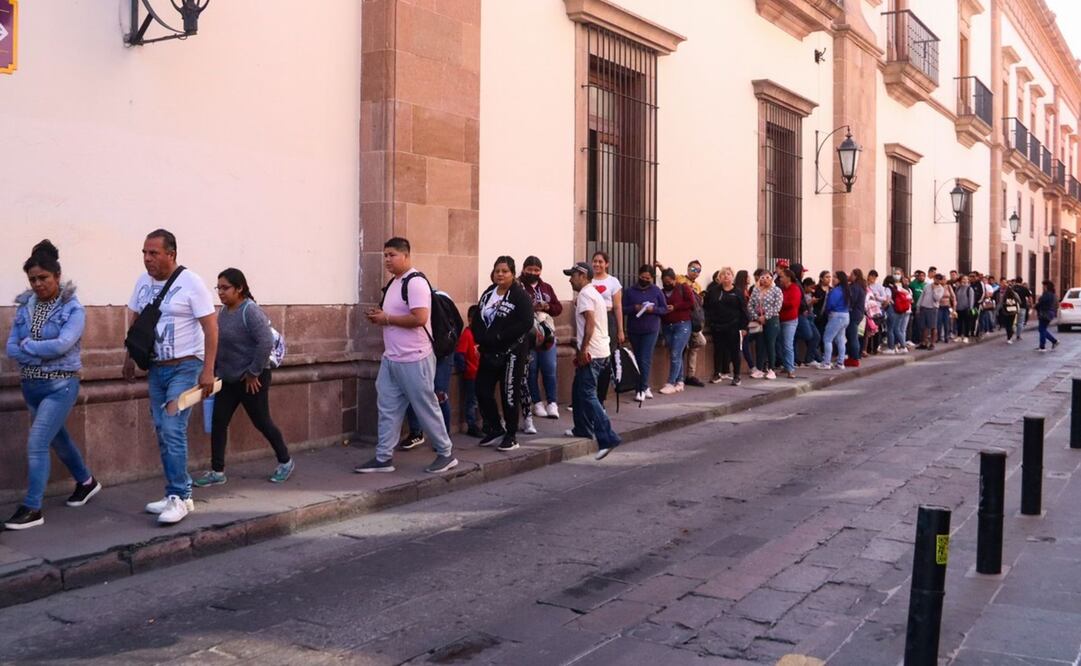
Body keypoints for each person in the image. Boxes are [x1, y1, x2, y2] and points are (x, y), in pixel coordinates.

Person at [4, 241, 101, 530]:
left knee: (37, 443)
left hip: (60, 386)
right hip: (31, 386)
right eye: (33, 279)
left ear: (57, 276)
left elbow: (62, 345)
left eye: (43, 278)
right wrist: (36, 349)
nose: (38, 284)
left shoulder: (73, 309)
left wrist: (30, 345)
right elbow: (11, 348)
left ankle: (32, 508)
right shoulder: (24, 307)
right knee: (59, 440)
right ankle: (86, 481)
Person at [123, 230, 217, 525]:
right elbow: (136, 321)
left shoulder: (192, 283)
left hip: (186, 367)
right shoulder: (142, 282)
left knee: (172, 426)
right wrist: (128, 358)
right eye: (144, 253)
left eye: (153, 253)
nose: (147, 259)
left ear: (171, 254)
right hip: (156, 368)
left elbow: (211, 328)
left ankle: (179, 494)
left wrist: (208, 370)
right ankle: (177, 494)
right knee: (163, 431)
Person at [356, 237, 458, 474]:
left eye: (391, 255)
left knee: (425, 406)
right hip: (392, 358)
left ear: (406, 255)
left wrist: (387, 319)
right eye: (385, 256)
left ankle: (445, 453)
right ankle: (383, 458)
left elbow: (420, 318)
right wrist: (381, 315)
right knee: (388, 407)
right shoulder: (394, 283)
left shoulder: (415, 282)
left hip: (415, 358)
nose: (387, 260)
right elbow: (395, 314)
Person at [192, 268, 293, 488]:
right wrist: (214, 369)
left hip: (252, 379)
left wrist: (253, 372)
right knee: (219, 422)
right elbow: (221, 343)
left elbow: (265, 342)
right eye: (218, 287)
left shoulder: (250, 311)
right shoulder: (223, 312)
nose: (220, 292)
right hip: (229, 379)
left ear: (239, 289)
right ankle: (217, 471)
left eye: (225, 288)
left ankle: (285, 461)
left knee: (262, 421)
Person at [470, 256, 534, 451]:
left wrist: (499, 337)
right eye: (497, 271)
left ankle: (511, 434)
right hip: (489, 352)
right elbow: (479, 317)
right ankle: (495, 428)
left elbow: (526, 322)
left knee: (509, 394)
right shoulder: (489, 292)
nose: (500, 274)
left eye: (505, 271)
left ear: (513, 274)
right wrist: (480, 337)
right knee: (482, 390)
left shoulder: (519, 295)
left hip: (512, 352)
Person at [563, 262, 621, 460]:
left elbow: (589, 323)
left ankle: (607, 438)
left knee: (588, 394)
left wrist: (583, 349)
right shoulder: (594, 292)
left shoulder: (585, 295)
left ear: (582, 275)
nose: (570, 279)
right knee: (578, 390)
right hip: (601, 350)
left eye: (572, 275)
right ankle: (582, 428)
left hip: (592, 353)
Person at [521, 256, 563, 420]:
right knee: (531, 370)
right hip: (528, 335)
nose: (533, 273)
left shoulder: (546, 287)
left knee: (550, 368)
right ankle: (536, 402)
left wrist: (546, 306)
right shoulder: (519, 286)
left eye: (536, 270)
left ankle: (552, 402)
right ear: (524, 269)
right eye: (530, 269)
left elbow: (558, 308)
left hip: (547, 335)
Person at [622, 265, 667, 402]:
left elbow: (664, 309)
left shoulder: (656, 291)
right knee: (637, 357)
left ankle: (640, 389)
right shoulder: (630, 291)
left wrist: (652, 310)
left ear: (652, 278)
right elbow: (623, 309)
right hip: (634, 329)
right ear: (638, 276)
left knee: (645, 358)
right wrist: (635, 308)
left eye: (648, 278)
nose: (645, 280)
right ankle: (644, 385)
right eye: (643, 277)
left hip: (651, 329)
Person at [591, 252, 624, 402]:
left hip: (608, 319)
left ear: (607, 264)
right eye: (595, 261)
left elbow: (617, 307)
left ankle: (601, 397)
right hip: (592, 319)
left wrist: (620, 330)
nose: (597, 264)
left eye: (600, 262)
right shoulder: (588, 280)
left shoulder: (613, 282)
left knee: (606, 358)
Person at [704, 267, 747, 386]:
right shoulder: (714, 291)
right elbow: (707, 306)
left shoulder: (737, 292)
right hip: (717, 326)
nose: (726, 276)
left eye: (728, 274)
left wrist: (744, 327)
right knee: (718, 350)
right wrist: (711, 321)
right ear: (719, 278)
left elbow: (743, 309)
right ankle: (717, 373)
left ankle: (737, 375)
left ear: (732, 276)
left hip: (733, 326)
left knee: (734, 351)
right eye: (723, 275)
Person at [659, 268, 694, 393]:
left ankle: (670, 382)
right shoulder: (661, 292)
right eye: (664, 281)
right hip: (667, 325)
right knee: (675, 353)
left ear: (674, 280)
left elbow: (691, 303)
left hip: (682, 324)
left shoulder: (683, 288)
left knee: (675, 352)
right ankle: (680, 381)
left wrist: (675, 307)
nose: (667, 284)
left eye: (669, 281)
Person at [747, 272, 782, 379]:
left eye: (768, 277)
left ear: (772, 279)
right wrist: (757, 317)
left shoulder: (777, 290)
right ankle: (759, 368)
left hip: (772, 320)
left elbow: (777, 306)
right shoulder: (756, 290)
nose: (765, 279)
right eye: (762, 277)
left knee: (770, 344)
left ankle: (771, 369)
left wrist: (766, 317)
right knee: (760, 344)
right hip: (758, 320)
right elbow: (750, 305)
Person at [454, 306, 482, 437]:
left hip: (481, 373)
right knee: (471, 401)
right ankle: (471, 425)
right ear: (470, 320)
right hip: (471, 374)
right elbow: (460, 354)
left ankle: (481, 423)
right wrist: (465, 369)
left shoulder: (480, 334)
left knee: (479, 400)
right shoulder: (467, 335)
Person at [820, 271, 851, 369]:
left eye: (835, 277)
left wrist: (827, 311)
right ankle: (840, 362)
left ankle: (826, 363)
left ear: (840, 279)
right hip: (846, 315)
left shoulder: (836, 291)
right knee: (841, 340)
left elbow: (830, 304)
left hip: (836, 316)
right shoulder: (846, 290)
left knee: (827, 339)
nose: (832, 279)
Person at [777, 269, 802, 378]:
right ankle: (786, 366)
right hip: (781, 319)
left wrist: (779, 303)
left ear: (788, 278)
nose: (780, 279)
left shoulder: (795, 289)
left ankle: (791, 369)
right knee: (783, 344)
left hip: (790, 320)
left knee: (788, 344)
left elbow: (792, 304)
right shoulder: (782, 289)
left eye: (782, 277)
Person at [799, 277, 824, 367]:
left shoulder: (809, 294)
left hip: (811, 317)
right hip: (806, 318)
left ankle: (814, 358)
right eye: (810, 287)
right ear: (805, 286)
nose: (812, 290)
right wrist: (811, 303)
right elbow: (804, 308)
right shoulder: (803, 295)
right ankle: (811, 359)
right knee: (815, 337)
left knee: (815, 337)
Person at [845, 269, 867, 365]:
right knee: (853, 336)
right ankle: (853, 356)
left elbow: (852, 300)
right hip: (859, 313)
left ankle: (854, 357)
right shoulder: (861, 286)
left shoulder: (855, 287)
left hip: (854, 314)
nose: (850, 276)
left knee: (852, 336)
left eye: (851, 274)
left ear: (855, 276)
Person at [916, 273, 942, 350]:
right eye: (936, 278)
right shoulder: (927, 286)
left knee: (933, 327)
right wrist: (918, 306)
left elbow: (937, 298)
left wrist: (934, 289)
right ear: (933, 278)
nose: (937, 280)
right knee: (924, 327)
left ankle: (932, 343)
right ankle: (924, 342)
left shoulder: (940, 288)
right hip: (924, 307)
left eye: (939, 279)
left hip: (933, 308)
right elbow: (922, 296)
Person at [1035, 280, 1060, 352]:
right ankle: (1051, 342)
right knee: (1042, 329)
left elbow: (1041, 302)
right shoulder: (1052, 294)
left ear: (1046, 286)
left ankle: (1043, 346)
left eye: (1043, 285)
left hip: (1045, 313)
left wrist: (1036, 305)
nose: (1042, 287)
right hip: (1049, 313)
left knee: (1042, 329)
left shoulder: (1047, 294)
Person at [997, 278, 1022, 344]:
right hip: (1003, 309)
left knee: (1009, 324)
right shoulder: (998, 290)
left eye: (1005, 282)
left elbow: (1017, 299)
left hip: (1011, 309)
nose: (1004, 284)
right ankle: (1010, 333)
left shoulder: (1010, 290)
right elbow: (997, 298)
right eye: (1002, 282)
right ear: (1000, 283)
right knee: (1006, 324)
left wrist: (1013, 302)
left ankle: (1009, 338)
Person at [954, 275, 976, 343]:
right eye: (963, 279)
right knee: (959, 323)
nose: (964, 280)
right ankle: (959, 336)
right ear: (961, 280)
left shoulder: (970, 289)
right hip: (958, 308)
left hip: (966, 309)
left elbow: (971, 299)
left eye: (966, 279)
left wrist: (970, 308)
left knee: (967, 323)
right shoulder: (958, 288)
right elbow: (955, 298)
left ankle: (966, 337)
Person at [1012, 277, 1033, 341]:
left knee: (1013, 321)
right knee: (1020, 322)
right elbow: (1030, 297)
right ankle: (1018, 335)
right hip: (1022, 307)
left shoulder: (1012, 288)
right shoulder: (1024, 288)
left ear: (1015, 281)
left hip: (1013, 306)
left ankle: (1012, 333)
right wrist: (1031, 304)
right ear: (1021, 281)